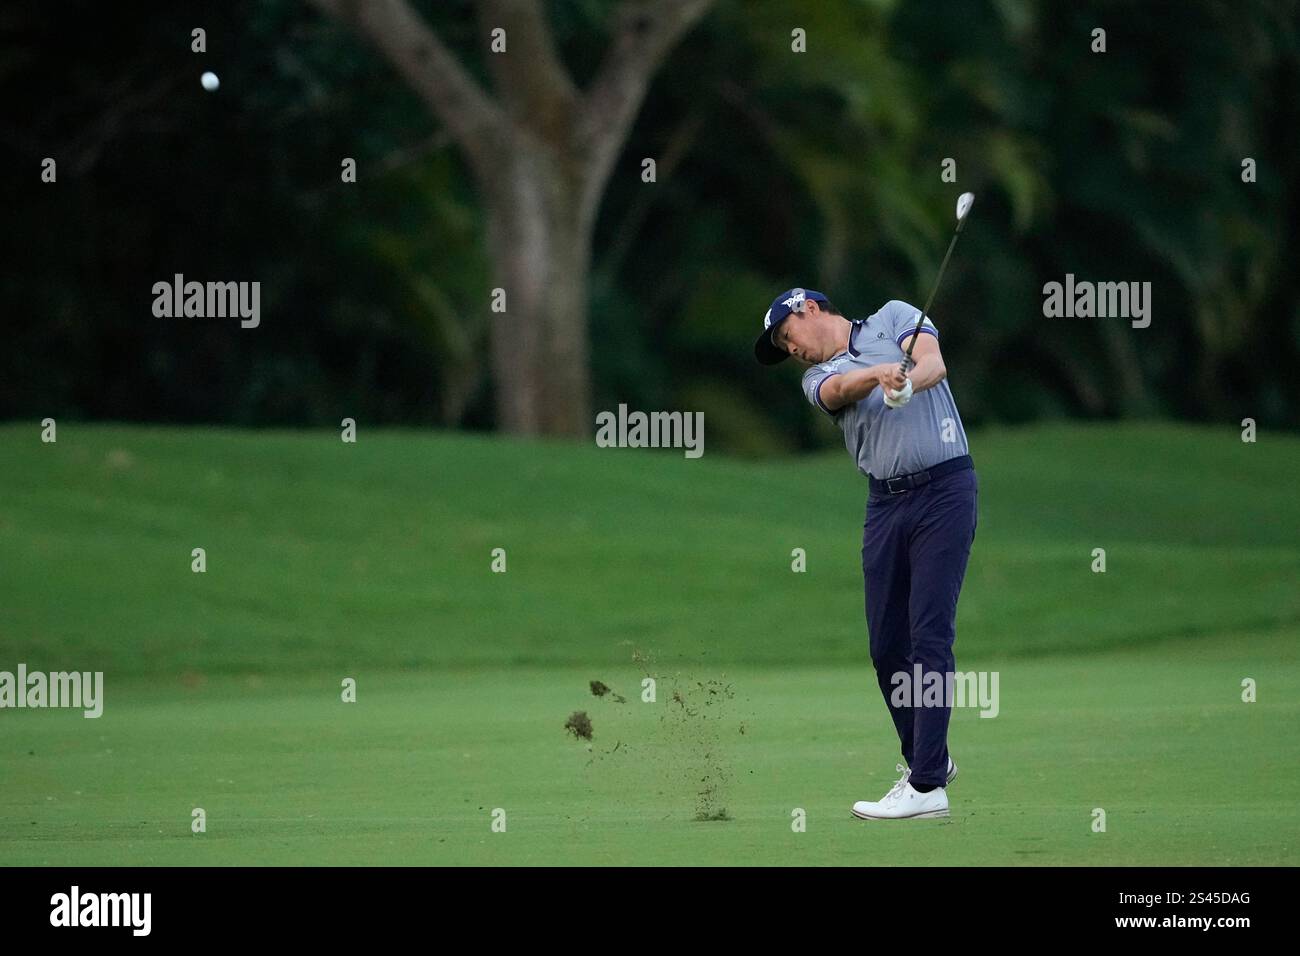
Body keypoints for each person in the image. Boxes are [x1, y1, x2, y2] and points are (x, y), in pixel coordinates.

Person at [754, 288, 978, 820]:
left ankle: (926, 787)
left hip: (945, 490)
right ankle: (930, 762)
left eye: (787, 337)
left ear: (808, 309)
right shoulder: (814, 378)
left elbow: (933, 363)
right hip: (885, 505)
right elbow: (837, 390)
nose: (792, 350)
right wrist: (880, 378)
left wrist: (907, 382)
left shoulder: (893, 317)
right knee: (886, 647)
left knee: (930, 635)